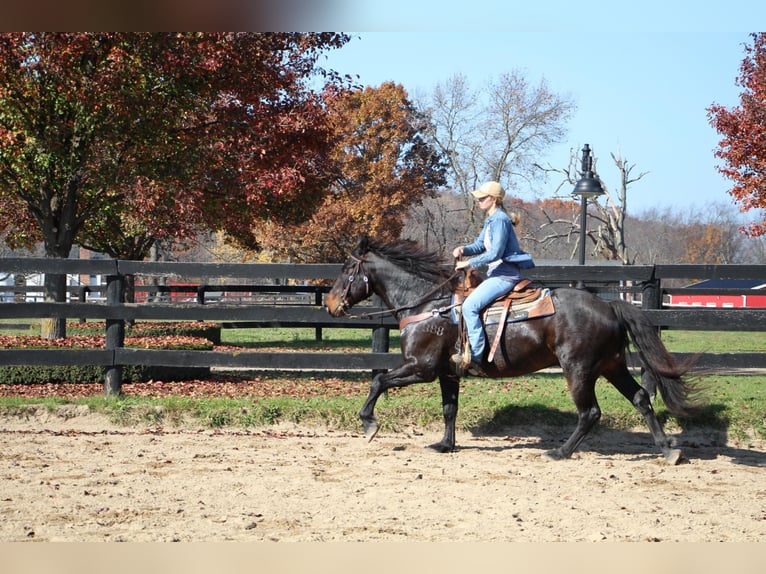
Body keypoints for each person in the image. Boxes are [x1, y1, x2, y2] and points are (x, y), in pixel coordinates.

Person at [451, 180, 534, 376]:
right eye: (479, 197)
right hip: (496, 274)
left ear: (494, 199)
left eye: (483, 197)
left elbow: (495, 252)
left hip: (504, 276)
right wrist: (464, 249)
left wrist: (468, 263)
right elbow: (480, 245)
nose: (478, 200)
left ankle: (475, 357)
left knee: (469, 307)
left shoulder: (500, 220)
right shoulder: (491, 220)